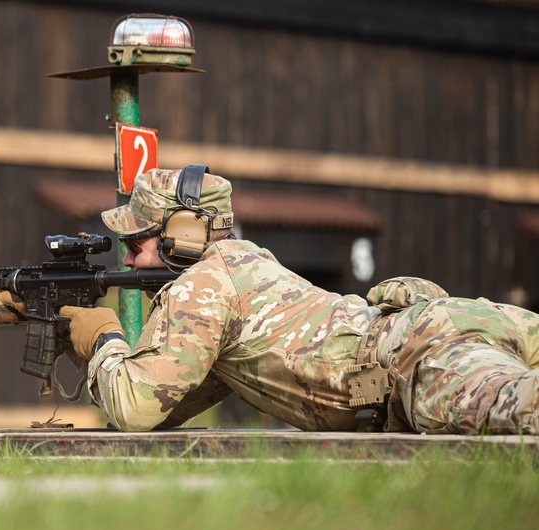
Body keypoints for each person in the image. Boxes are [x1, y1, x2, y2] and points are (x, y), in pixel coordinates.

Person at [49, 165, 538, 434]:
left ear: (182, 236)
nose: (129, 260)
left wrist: (103, 339)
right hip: (449, 326)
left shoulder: (201, 285)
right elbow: (166, 406)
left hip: (419, 360)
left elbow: (135, 408)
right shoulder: (244, 266)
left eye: (136, 245)